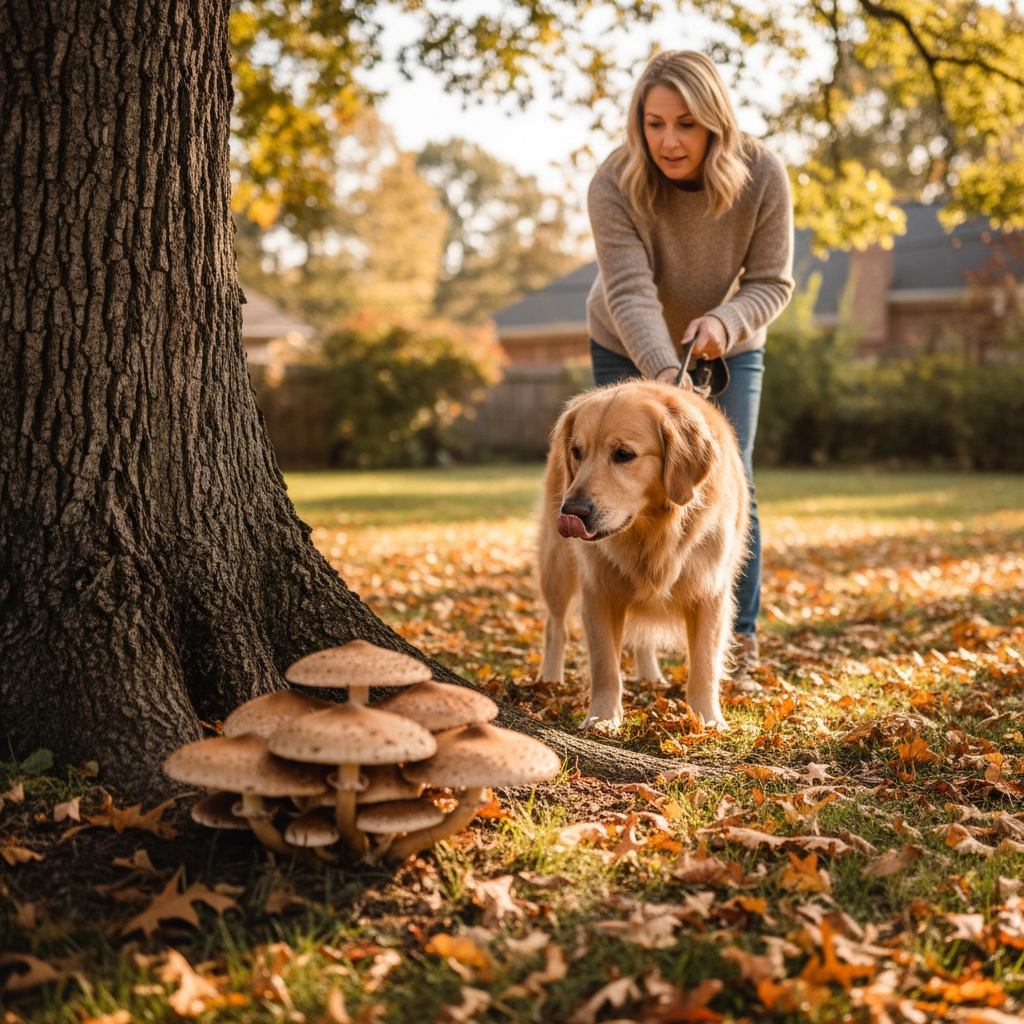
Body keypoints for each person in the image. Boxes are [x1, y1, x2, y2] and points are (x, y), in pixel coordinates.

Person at [586, 49, 794, 688]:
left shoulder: (763, 176)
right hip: (627, 343)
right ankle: (633, 635)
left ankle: (742, 640)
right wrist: (665, 386)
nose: (669, 141)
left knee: (734, 481)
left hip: (729, 342)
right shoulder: (613, 182)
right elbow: (628, 292)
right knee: (621, 481)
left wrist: (723, 325)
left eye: (686, 123)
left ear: (716, 122)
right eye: (654, 124)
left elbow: (771, 282)